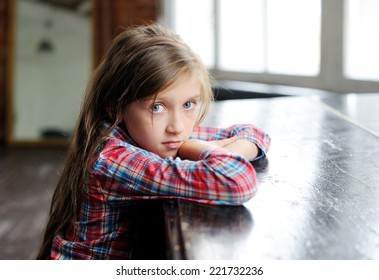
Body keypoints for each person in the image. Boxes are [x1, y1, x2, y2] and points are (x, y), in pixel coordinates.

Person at [36, 23, 271, 260]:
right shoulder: (112, 158)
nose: (177, 127)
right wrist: (196, 147)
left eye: (188, 104)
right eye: (157, 107)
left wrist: (209, 147)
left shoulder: (153, 134)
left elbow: (255, 134)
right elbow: (236, 179)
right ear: (116, 107)